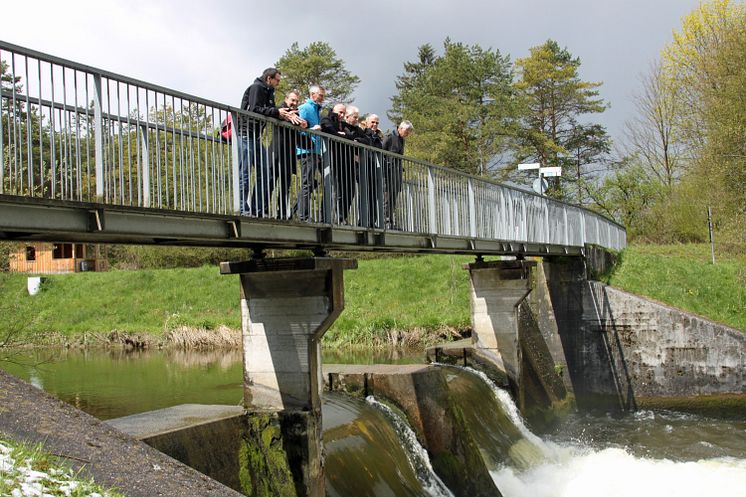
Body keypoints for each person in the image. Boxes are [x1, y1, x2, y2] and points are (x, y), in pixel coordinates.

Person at [239, 67, 302, 217]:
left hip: (257, 137)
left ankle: (257, 210)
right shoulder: (257, 88)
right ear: (269, 79)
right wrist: (276, 112)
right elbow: (255, 109)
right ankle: (243, 209)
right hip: (246, 134)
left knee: (265, 173)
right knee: (245, 174)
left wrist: (285, 115)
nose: (278, 84)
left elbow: (271, 111)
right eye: (277, 80)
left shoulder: (269, 92)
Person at [269, 89, 308, 219]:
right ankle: (262, 209)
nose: (294, 103)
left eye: (296, 101)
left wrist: (305, 127)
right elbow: (276, 114)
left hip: (288, 154)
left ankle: (282, 213)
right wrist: (291, 117)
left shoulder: (296, 115)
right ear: (286, 99)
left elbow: (298, 136)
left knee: (285, 186)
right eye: (292, 100)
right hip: (276, 152)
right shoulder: (281, 110)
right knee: (270, 183)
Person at [295, 85, 326, 222]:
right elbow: (297, 128)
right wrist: (313, 129)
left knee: (318, 182)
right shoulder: (305, 108)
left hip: (315, 151)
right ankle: (303, 216)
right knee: (307, 183)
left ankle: (296, 211)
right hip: (306, 150)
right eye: (320, 95)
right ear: (313, 94)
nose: (322, 98)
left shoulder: (316, 110)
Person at [335, 106, 369, 225]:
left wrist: (357, 141)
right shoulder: (341, 125)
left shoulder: (358, 129)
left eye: (357, 117)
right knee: (341, 192)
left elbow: (367, 141)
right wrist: (351, 138)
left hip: (352, 164)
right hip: (340, 162)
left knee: (350, 192)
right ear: (347, 116)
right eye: (355, 117)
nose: (356, 119)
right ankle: (338, 217)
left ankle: (343, 217)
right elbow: (344, 136)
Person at [382, 120, 413, 229]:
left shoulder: (402, 139)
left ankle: (390, 222)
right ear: (400, 128)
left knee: (393, 198)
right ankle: (385, 222)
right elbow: (381, 151)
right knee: (387, 197)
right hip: (388, 172)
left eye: (409, 131)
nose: (408, 133)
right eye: (407, 131)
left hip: (396, 172)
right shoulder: (389, 137)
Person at [361, 114, 384, 228]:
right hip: (365, 166)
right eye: (372, 122)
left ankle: (372, 220)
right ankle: (364, 220)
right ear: (367, 122)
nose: (375, 125)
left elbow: (380, 150)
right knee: (366, 194)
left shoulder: (376, 137)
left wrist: (378, 135)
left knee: (374, 195)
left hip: (374, 168)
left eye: (377, 123)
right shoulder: (364, 133)